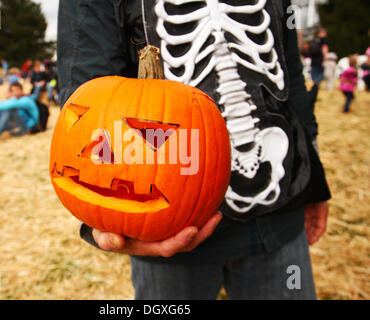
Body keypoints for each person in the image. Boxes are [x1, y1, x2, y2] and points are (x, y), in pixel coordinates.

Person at [58, 0, 331, 300]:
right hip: (169, 225)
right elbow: (89, 98)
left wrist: (314, 179)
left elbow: (290, 72)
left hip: (281, 205)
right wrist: (103, 220)